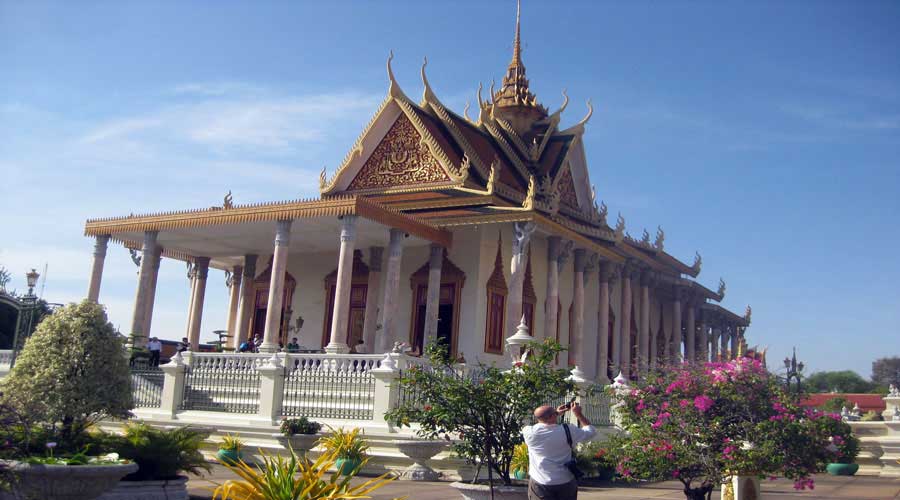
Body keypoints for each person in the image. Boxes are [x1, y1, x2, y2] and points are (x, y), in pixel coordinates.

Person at [522, 401, 596, 500]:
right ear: (553, 416)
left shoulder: (529, 432)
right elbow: (591, 431)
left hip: (540, 481)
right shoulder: (568, 430)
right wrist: (578, 414)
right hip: (565, 480)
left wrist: (555, 413)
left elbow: (544, 419)